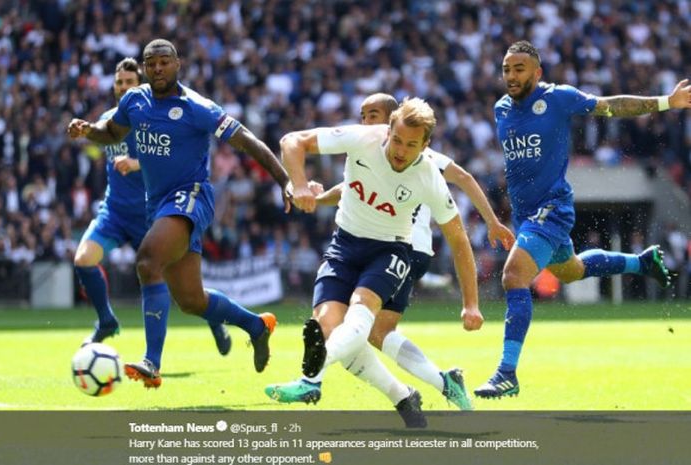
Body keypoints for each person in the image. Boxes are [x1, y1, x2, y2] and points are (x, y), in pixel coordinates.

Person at [265, 93, 514, 411]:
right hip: (344, 246)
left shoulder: (428, 174)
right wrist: (300, 185)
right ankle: (406, 396)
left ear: (425, 146)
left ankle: (310, 380)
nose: (401, 151)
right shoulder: (364, 138)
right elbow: (292, 140)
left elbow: (458, 238)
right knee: (330, 327)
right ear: (388, 130)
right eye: (397, 140)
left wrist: (471, 303)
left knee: (362, 314)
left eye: (411, 145)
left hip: (391, 251)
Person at [67, 39, 290, 388]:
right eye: (151, 63)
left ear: (178, 64)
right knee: (191, 300)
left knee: (147, 261)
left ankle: (151, 362)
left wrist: (285, 181)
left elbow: (247, 140)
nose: (157, 69)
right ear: (144, 67)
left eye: (164, 62)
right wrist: (87, 131)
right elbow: (111, 133)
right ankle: (256, 326)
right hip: (157, 205)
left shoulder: (197, 107)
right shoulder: (134, 102)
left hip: (192, 196)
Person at [474, 40, 682, 399]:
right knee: (570, 270)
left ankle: (507, 372)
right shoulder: (501, 109)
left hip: (553, 208)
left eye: (519, 68)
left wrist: (665, 102)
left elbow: (609, 107)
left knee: (513, 276)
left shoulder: (557, 98)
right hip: (527, 216)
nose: (511, 75)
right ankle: (640, 261)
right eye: (506, 68)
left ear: (537, 73)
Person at [73, 58, 233, 356]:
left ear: (141, 86)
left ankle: (214, 319)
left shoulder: (152, 118)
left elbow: (174, 158)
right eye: (119, 82)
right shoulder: (111, 120)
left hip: (154, 214)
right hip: (116, 212)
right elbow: (98, 143)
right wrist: (84, 130)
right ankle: (106, 321)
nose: (123, 87)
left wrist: (135, 163)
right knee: (83, 259)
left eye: (129, 83)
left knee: (184, 293)